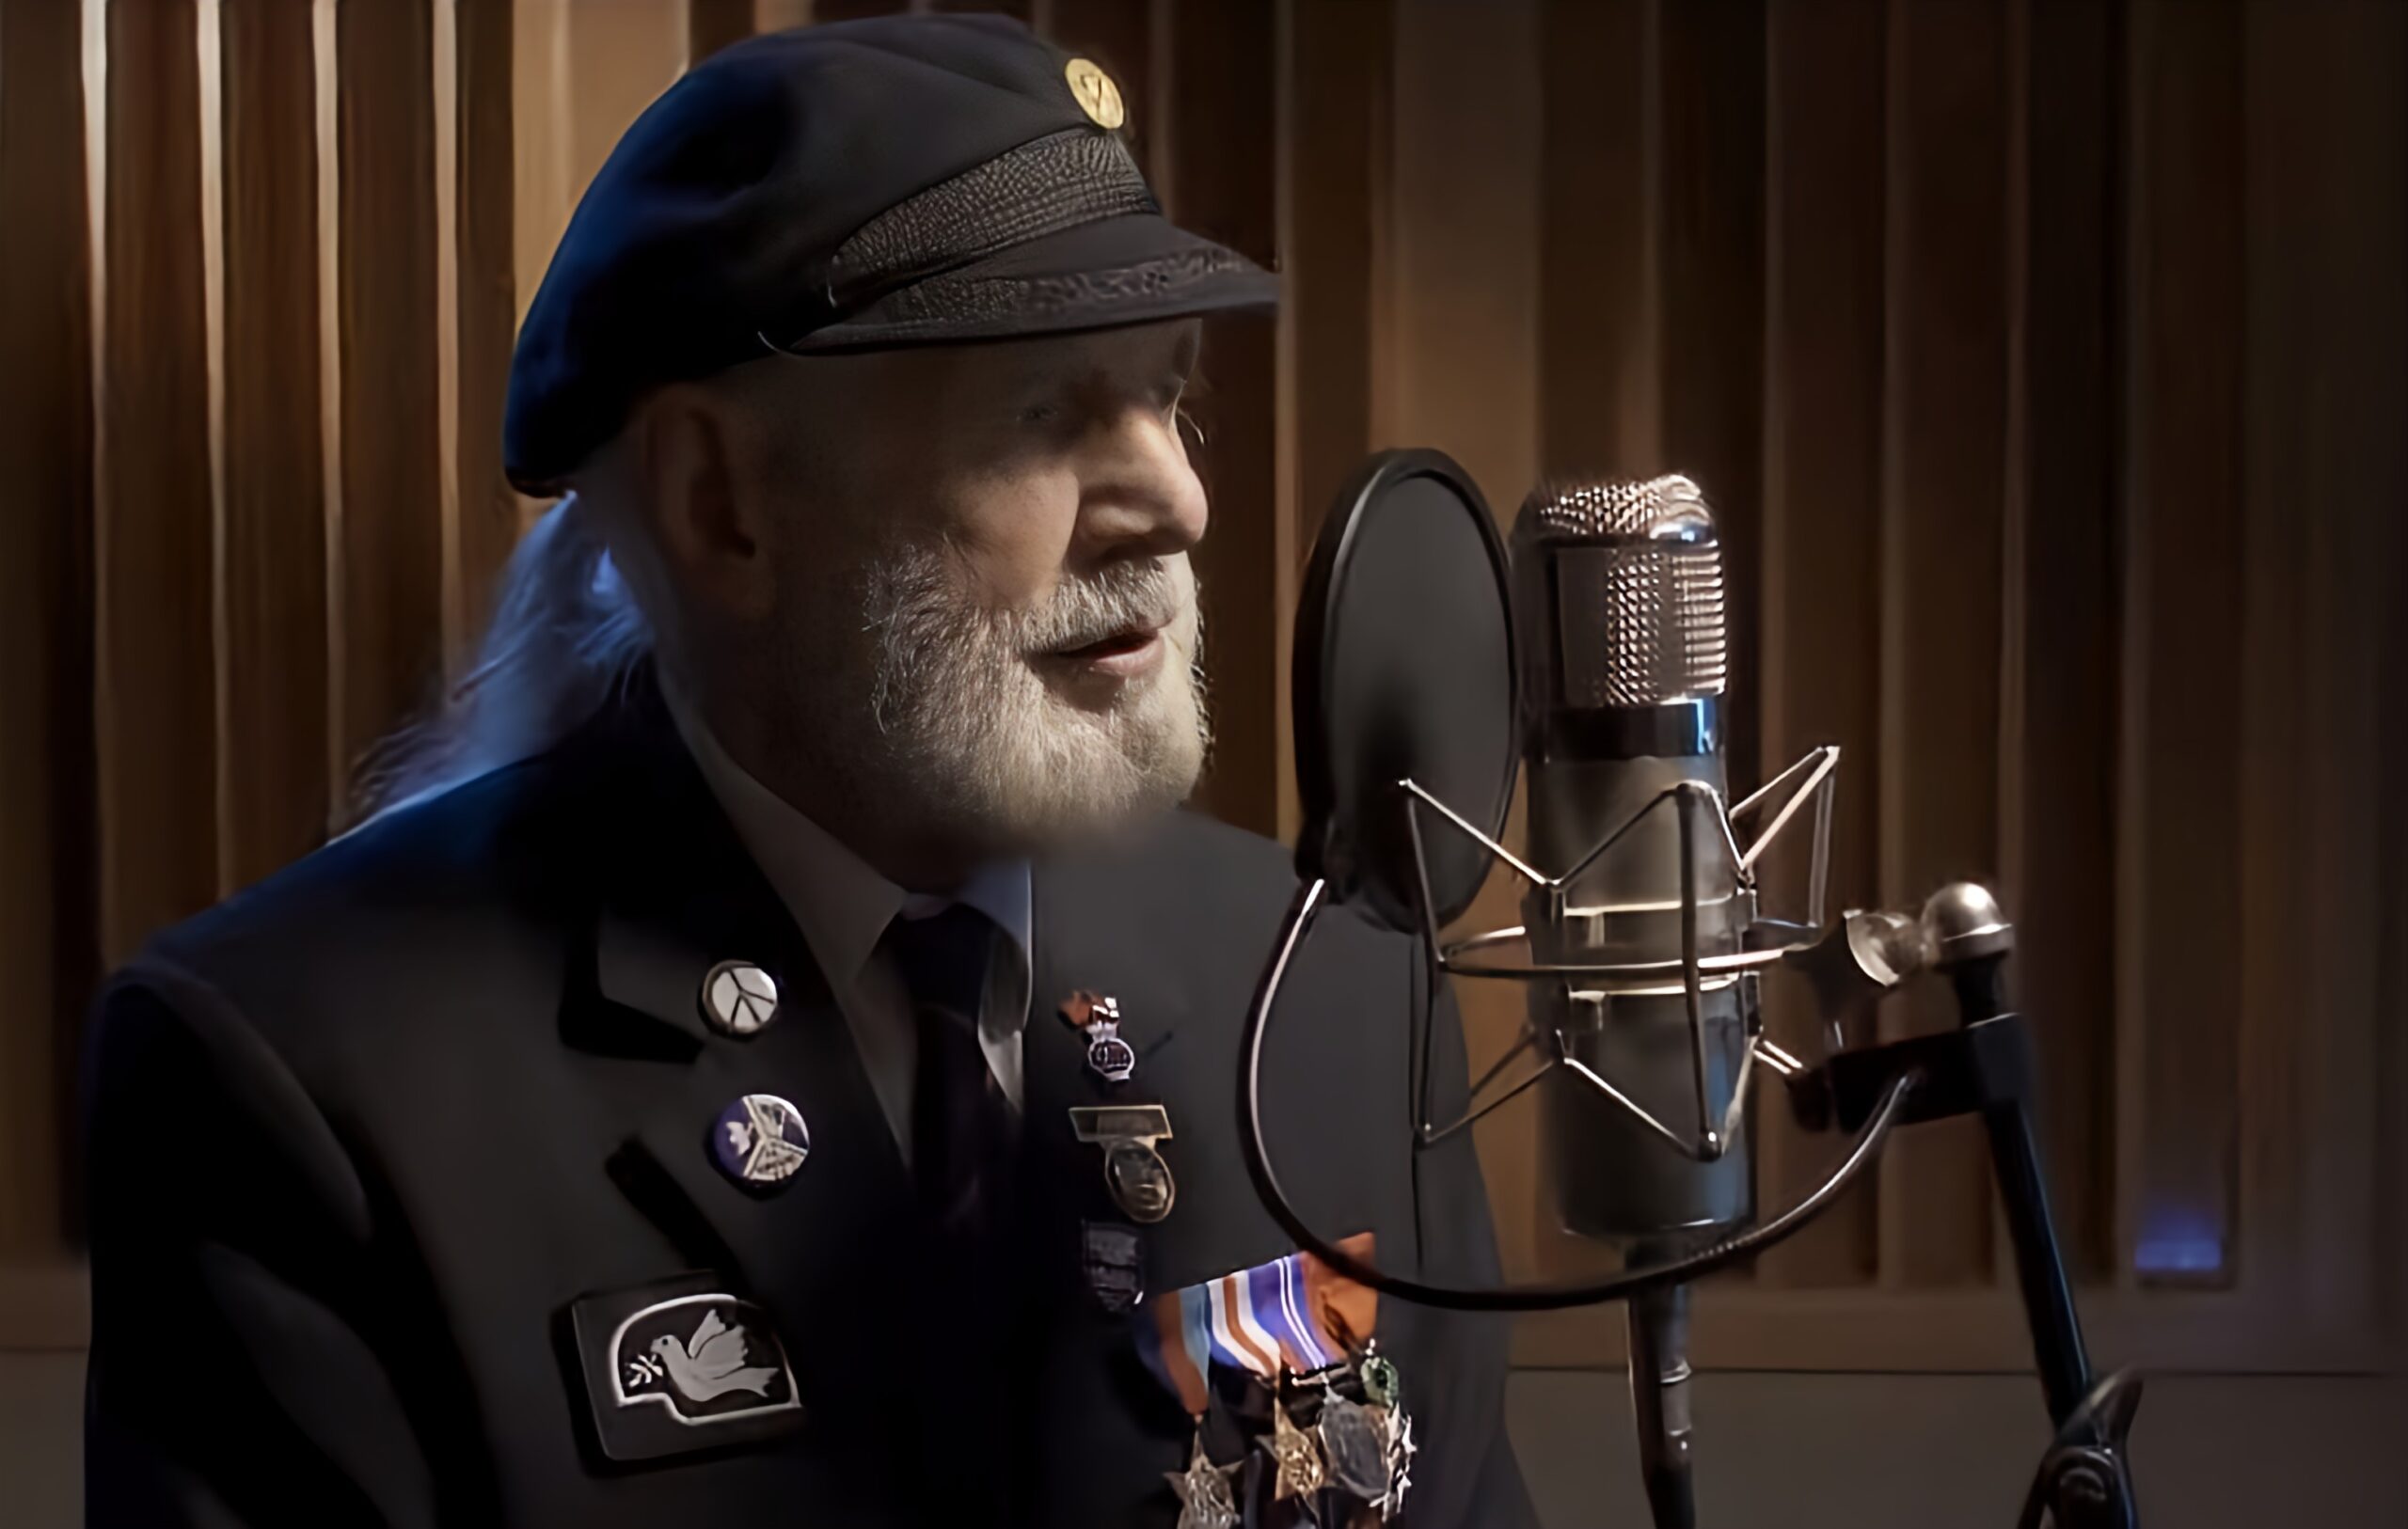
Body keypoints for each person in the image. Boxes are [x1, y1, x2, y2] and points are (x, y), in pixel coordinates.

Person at [81, 15, 1533, 1527]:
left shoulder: (1331, 986)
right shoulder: (302, 1076)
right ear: (723, 501)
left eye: (1170, 395)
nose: (1177, 500)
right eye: (1040, 412)